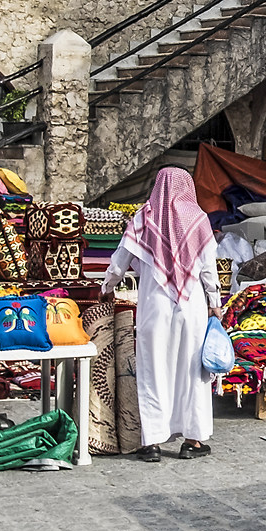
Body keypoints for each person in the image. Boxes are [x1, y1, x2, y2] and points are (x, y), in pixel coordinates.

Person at [105, 168, 224, 463]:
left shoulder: (143, 218)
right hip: (192, 304)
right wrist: (215, 302)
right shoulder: (198, 219)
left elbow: (120, 261)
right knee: (192, 371)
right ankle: (193, 441)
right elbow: (209, 269)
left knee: (153, 369)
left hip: (154, 301)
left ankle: (152, 443)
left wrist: (106, 287)